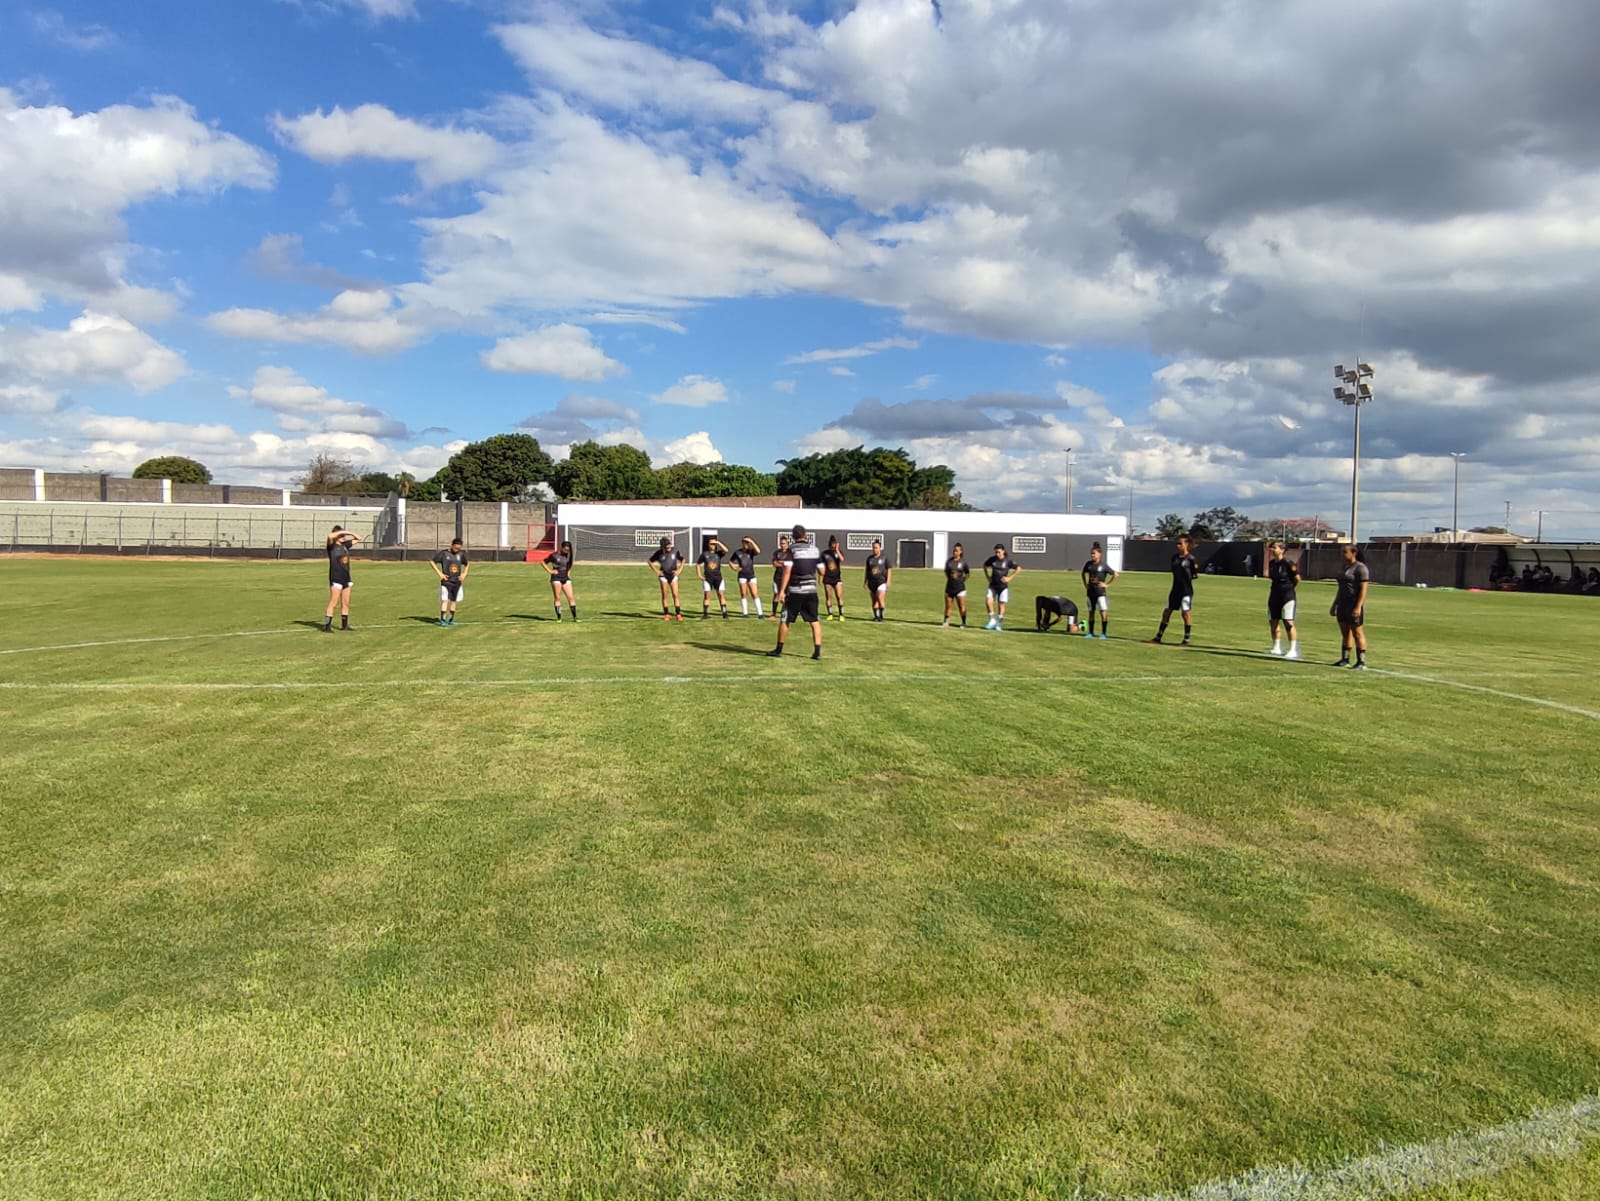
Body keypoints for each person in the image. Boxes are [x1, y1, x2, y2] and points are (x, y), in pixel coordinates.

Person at [768, 522, 824, 660]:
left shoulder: (791, 551)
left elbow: (787, 571)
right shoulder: (815, 550)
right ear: (805, 535)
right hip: (811, 590)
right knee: (814, 620)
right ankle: (817, 651)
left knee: (785, 619)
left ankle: (778, 649)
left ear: (793, 537)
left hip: (795, 590)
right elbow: (822, 570)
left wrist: (781, 591)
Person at [1148, 534, 1198, 645]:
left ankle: (1186, 640)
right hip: (1175, 590)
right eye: (1177, 543)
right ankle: (1158, 638)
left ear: (1187, 544)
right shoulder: (1174, 558)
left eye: (1180, 543)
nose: (1178, 545)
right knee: (1166, 612)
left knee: (1185, 614)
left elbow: (1194, 576)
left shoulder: (1191, 559)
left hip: (1186, 591)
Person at [1332, 542, 1370, 669]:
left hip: (1353, 603)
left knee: (1357, 632)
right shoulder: (1343, 567)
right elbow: (1340, 588)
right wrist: (1335, 604)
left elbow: (1363, 589)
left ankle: (1361, 661)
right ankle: (1345, 659)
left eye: (1345, 552)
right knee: (1345, 632)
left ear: (1353, 553)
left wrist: (1358, 606)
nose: (1342, 555)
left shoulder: (1360, 568)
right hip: (1342, 603)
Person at [1265, 541, 1300, 659]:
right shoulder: (1271, 563)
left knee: (1288, 622)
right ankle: (1276, 647)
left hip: (1287, 596)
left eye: (1274, 548)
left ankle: (1292, 649)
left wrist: (1289, 588)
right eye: (1271, 548)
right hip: (1274, 595)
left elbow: (1297, 579)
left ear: (1282, 550)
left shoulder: (1289, 564)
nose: (1272, 550)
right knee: (1273, 621)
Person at [322, 525, 360, 632]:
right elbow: (330, 536)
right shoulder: (332, 546)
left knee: (345, 602)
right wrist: (341, 532)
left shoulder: (345, 545)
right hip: (336, 577)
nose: (343, 537)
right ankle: (327, 626)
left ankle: (345, 625)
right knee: (333, 602)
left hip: (346, 577)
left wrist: (349, 533)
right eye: (341, 535)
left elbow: (358, 538)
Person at [1080, 541, 1116, 638]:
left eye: (1094, 553)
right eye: (1091, 553)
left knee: (1102, 612)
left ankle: (1103, 633)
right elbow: (1082, 573)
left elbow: (1115, 574)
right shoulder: (1089, 564)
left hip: (1100, 592)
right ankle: (1090, 632)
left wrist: (1107, 584)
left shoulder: (1103, 565)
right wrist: (1085, 584)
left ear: (1099, 554)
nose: (1092, 555)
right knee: (1091, 612)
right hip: (1090, 592)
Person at [431, 537, 469, 626]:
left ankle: (451, 619)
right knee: (444, 600)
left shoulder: (461, 554)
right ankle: (443, 620)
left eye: (459, 548)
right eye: (456, 548)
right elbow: (432, 562)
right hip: (446, 581)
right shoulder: (444, 553)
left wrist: (464, 574)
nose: (457, 550)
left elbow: (467, 564)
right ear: (452, 545)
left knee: (453, 600)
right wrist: (440, 574)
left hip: (457, 581)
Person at [982, 542, 1020, 630]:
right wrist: (988, 576)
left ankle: (999, 623)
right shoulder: (992, 560)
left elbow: (1018, 568)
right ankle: (992, 620)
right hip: (993, 585)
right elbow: (984, 565)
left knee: (1001, 605)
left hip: (1003, 586)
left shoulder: (1008, 561)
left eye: (999, 552)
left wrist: (1010, 578)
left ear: (1003, 551)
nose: (997, 554)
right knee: (988, 601)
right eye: (996, 552)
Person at [648, 535, 685, 621]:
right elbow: (650, 561)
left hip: (673, 576)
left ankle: (678, 614)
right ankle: (666, 614)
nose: (669, 548)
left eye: (669, 546)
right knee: (664, 595)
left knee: (675, 595)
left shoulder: (675, 551)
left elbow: (682, 559)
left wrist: (679, 570)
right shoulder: (659, 553)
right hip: (663, 576)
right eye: (667, 547)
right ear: (663, 547)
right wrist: (657, 571)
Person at [696, 535, 731, 619]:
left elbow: (726, 550)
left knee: (721, 594)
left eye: (714, 544)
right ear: (708, 545)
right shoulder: (705, 554)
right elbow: (697, 564)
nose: (713, 545)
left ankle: (724, 612)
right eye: (711, 544)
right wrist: (699, 575)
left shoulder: (718, 554)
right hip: (708, 578)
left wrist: (718, 542)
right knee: (707, 595)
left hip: (718, 577)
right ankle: (705, 613)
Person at [543, 539, 577, 621]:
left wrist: (568, 573)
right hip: (556, 578)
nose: (566, 551)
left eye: (568, 550)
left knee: (571, 597)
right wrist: (550, 571)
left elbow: (570, 565)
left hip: (565, 578)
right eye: (565, 549)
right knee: (557, 598)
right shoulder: (554, 555)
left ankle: (575, 617)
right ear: (561, 547)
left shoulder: (568, 555)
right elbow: (543, 562)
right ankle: (559, 618)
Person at [730, 535, 763, 617]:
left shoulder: (751, 551)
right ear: (742, 542)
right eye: (745, 542)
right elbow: (731, 561)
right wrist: (734, 567)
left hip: (751, 575)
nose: (746, 544)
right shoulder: (737, 552)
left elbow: (758, 551)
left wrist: (751, 541)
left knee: (755, 594)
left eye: (748, 543)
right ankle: (745, 613)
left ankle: (760, 613)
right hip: (742, 575)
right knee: (743, 594)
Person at [942, 542, 970, 627]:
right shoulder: (949, 561)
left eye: (957, 551)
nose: (955, 552)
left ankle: (963, 622)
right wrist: (951, 578)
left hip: (960, 588)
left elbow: (967, 574)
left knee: (961, 606)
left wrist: (961, 580)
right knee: (948, 606)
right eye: (954, 551)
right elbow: (946, 572)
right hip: (950, 587)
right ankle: (946, 621)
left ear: (960, 552)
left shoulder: (963, 562)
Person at [863, 538, 892, 621]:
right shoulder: (869, 559)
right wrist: (865, 581)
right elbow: (867, 570)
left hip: (881, 582)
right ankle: (876, 616)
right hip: (872, 582)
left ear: (880, 548)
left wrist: (888, 580)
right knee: (874, 600)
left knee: (880, 598)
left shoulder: (884, 558)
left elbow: (889, 569)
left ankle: (881, 616)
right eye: (873, 547)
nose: (874, 549)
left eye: (876, 547)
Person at [821, 535, 847, 621]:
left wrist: (837, 550)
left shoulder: (838, 552)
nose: (833, 545)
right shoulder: (824, 554)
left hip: (837, 578)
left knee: (839, 596)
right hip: (827, 578)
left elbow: (842, 559)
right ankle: (830, 614)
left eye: (835, 543)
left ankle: (841, 614)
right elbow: (822, 566)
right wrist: (820, 577)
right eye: (832, 543)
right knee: (828, 597)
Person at [770, 534, 791, 619]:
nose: (783, 545)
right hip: (777, 577)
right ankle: (773, 613)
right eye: (781, 543)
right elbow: (774, 563)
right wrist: (784, 564)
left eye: (784, 543)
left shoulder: (790, 553)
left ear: (787, 544)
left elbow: (791, 565)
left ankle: (785, 612)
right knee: (776, 595)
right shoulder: (776, 553)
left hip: (788, 577)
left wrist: (781, 563)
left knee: (787, 595)